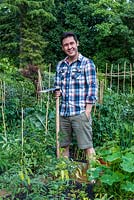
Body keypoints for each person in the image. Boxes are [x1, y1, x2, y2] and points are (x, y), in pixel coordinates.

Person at [54, 32, 98, 162]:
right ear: (63, 48)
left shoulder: (86, 63)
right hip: (63, 113)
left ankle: (93, 177)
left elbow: (92, 88)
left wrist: (87, 111)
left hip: (80, 112)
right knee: (63, 146)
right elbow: (57, 87)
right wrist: (57, 93)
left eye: (71, 43)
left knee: (87, 146)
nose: (69, 47)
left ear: (77, 43)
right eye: (66, 45)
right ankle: (64, 177)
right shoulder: (60, 65)